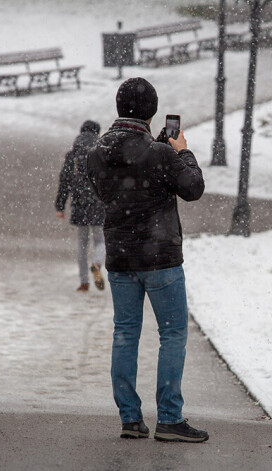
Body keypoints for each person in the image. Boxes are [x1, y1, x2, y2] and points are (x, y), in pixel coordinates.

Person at [86, 77, 208, 442]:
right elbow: (193, 187)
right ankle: (169, 418)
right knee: (172, 334)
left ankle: (130, 418)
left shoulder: (97, 151)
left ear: (119, 107)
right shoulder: (160, 154)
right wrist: (181, 151)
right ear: (153, 112)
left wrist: (157, 157)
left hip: (121, 258)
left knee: (125, 334)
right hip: (160, 259)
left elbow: (112, 189)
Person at [55, 120, 106, 292]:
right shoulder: (101, 152)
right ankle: (97, 264)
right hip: (98, 201)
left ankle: (84, 283)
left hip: (79, 202)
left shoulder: (73, 154)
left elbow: (65, 181)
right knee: (100, 239)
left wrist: (60, 206)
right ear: (97, 133)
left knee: (82, 243)